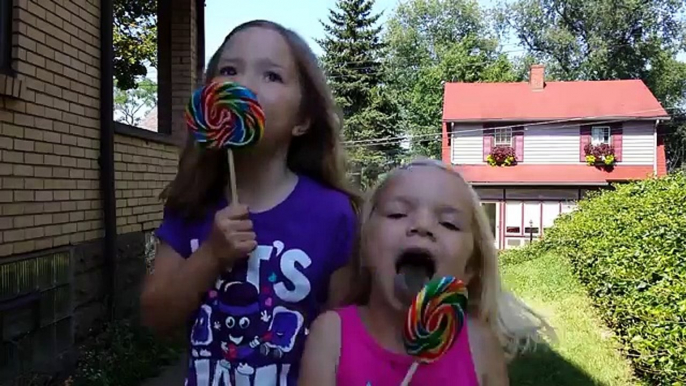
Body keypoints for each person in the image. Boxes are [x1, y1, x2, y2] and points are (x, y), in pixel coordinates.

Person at [140, 20, 361, 386]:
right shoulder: (192, 203)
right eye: (228, 70)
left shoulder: (333, 214)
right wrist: (211, 255)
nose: (243, 84)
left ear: (303, 119)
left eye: (271, 76)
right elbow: (156, 316)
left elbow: (344, 337)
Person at [299, 159, 554, 386]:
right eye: (397, 213)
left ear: (470, 268)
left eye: (449, 223)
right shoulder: (332, 335)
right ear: (364, 247)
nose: (422, 226)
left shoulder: (480, 346)